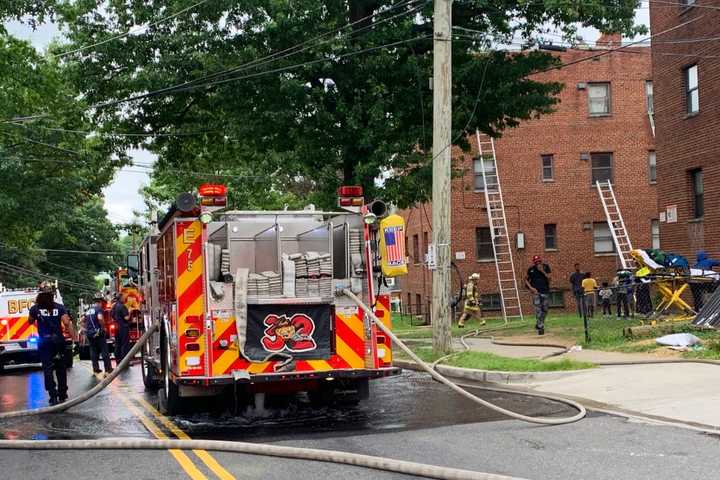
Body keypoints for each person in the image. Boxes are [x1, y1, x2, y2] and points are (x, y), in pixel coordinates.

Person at [28, 283, 76, 405]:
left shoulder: (35, 309)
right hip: (58, 342)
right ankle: (62, 393)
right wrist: (75, 338)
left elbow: (30, 321)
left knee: (48, 369)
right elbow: (66, 323)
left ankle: (52, 395)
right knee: (61, 368)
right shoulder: (59, 307)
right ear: (52, 295)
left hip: (44, 343)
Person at [85, 294, 113, 375]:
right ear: (100, 302)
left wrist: (86, 329)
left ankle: (95, 369)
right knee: (104, 350)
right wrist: (103, 327)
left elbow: (82, 321)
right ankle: (108, 369)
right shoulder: (98, 309)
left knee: (93, 351)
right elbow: (100, 318)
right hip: (98, 333)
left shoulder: (88, 310)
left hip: (90, 334)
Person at [525, 255, 551, 335]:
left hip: (545, 291)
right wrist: (531, 288)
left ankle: (539, 323)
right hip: (536, 293)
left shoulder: (546, 267)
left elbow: (550, 278)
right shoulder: (531, 270)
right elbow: (525, 280)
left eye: (539, 261)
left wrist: (542, 271)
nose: (538, 263)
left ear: (541, 261)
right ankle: (541, 327)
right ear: (534, 262)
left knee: (545, 310)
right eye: (536, 262)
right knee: (538, 310)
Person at [111, 293, 131, 364]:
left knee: (117, 344)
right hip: (123, 327)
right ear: (121, 298)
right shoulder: (123, 307)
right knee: (124, 344)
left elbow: (112, 315)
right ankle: (124, 361)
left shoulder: (114, 306)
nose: (124, 299)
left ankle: (118, 360)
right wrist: (130, 312)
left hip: (116, 327)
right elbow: (126, 318)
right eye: (123, 297)